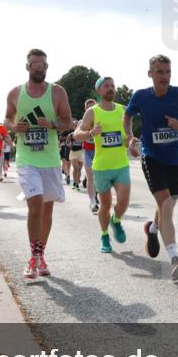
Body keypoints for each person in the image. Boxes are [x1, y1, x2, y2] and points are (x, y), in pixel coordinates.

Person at [124, 54, 178, 282]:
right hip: (152, 158)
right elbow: (127, 116)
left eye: (168, 72)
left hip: (177, 160)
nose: (164, 76)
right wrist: (129, 137)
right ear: (150, 74)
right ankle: (175, 260)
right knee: (166, 205)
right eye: (159, 72)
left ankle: (152, 229)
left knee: (166, 208)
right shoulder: (140, 96)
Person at [6, 49, 72, 281]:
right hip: (27, 160)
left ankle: (41, 254)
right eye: (34, 64)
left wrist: (52, 124)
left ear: (46, 67)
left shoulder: (57, 92)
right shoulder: (16, 93)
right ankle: (33, 258)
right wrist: (14, 128)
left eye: (42, 65)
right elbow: (7, 119)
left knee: (47, 210)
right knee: (35, 205)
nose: (38, 68)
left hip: (50, 159)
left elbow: (68, 122)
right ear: (28, 67)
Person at [75, 77, 130, 253]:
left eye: (113, 85)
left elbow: (127, 136)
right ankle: (104, 235)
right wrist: (91, 133)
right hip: (101, 167)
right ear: (98, 90)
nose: (110, 88)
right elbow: (77, 134)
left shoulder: (123, 110)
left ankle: (116, 220)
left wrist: (131, 142)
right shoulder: (92, 112)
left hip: (121, 164)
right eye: (106, 86)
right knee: (105, 205)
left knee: (123, 202)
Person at [81, 98, 99, 213]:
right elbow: (77, 133)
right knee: (90, 177)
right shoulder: (82, 122)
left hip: (99, 152)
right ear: (85, 110)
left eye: (92, 107)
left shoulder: (100, 120)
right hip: (87, 152)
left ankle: (96, 194)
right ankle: (92, 201)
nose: (90, 109)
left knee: (98, 177)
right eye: (88, 108)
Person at [67, 126, 85, 191]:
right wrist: (69, 145)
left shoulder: (83, 134)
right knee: (76, 168)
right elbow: (67, 142)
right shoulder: (71, 135)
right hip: (73, 153)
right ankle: (75, 182)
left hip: (81, 153)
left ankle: (76, 183)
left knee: (79, 170)